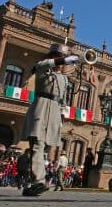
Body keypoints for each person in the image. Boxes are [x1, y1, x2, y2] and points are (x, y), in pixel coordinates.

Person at [19, 43, 78, 197]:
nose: (62, 62)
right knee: (37, 144)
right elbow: (45, 64)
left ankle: (30, 183)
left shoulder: (64, 79)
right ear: (52, 57)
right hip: (41, 106)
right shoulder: (42, 67)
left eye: (63, 59)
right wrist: (64, 60)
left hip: (54, 110)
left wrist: (61, 115)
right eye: (59, 58)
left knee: (44, 146)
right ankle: (38, 181)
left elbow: (63, 99)